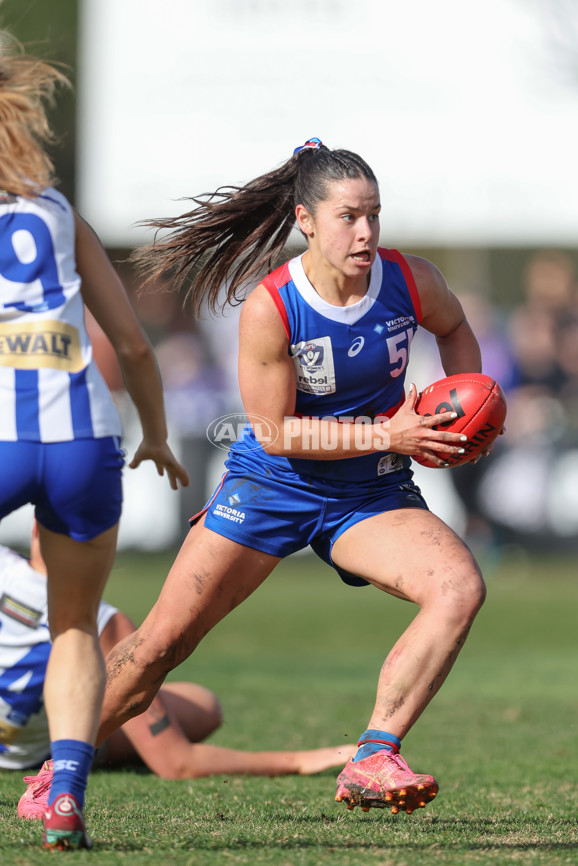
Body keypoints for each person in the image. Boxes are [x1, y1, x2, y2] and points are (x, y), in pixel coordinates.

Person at [84, 137, 491, 817]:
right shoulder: (273, 306)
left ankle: (373, 755)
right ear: (305, 219)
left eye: (374, 215)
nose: (365, 232)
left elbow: (456, 329)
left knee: (458, 588)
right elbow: (273, 432)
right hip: (273, 487)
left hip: (370, 491)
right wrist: (389, 432)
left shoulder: (409, 280)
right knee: (161, 644)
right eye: (348, 217)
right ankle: (58, 768)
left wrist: (464, 402)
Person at [0, 33, 188, 849]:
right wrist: (157, 434)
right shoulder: (57, 210)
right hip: (85, 441)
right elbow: (136, 346)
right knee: (72, 626)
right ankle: (66, 793)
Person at [0, 531, 355, 819]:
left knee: (196, 703)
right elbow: (177, 762)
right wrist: (298, 760)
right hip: (29, 745)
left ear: (35, 528)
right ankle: (71, 754)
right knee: (202, 706)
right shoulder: (103, 619)